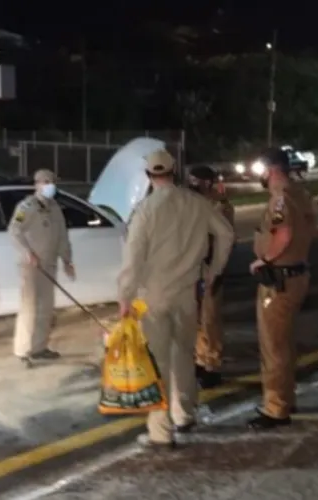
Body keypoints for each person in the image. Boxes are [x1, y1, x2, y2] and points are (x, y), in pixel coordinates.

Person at [118, 148, 234, 448]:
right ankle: (184, 414)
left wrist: (125, 296)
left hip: (154, 295)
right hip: (187, 293)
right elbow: (226, 234)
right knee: (184, 354)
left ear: (149, 176)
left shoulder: (145, 210)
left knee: (158, 363)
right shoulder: (196, 203)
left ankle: (160, 431)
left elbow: (132, 259)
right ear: (174, 171)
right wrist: (213, 270)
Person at [249, 147, 316, 430]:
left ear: (271, 170)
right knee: (285, 342)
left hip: (279, 280)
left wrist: (263, 259)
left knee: (273, 345)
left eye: (261, 171)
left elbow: (284, 234)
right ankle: (286, 398)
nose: (261, 177)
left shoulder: (281, 200)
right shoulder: (301, 194)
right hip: (296, 275)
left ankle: (276, 408)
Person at [8, 169, 75, 368]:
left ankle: (39, 347)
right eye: (46, 182)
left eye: (52, 181)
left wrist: (67, 261)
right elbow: (14, 231)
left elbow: (62, 236)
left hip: (49, 265)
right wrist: (27, 253)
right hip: (31, 266)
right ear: (36, 184)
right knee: (29, 308)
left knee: (45, 307)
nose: (49, 185)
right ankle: (22, 351)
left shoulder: (55, 207)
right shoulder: (26, 207)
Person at [187, 164, 235, 389]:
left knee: (210, 320)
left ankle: (211, 365)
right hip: (191, 270)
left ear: (208, 182)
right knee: (194, 319)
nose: (193, 184)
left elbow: (224, 240)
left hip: (210, 269)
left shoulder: (219, 205)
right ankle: (199, 359)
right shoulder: (189, 203)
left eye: (197, 180)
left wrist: (216, 271)